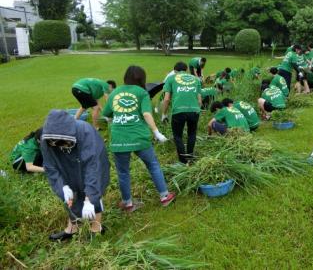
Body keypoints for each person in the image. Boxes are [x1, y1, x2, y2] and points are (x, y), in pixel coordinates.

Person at [103, 65, 175, 212]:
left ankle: (127, 203)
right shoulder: (142, 93)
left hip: (119, 139)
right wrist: (156, 132)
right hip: (139, 137)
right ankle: (164, 196)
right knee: (153, 165)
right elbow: (147, 114)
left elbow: (107, 113)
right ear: (142, 78)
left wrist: (117, 118)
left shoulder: (115, 92)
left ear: (126, 77)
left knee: (123, 172)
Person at [41, 110, 110, 241]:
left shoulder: (85, 132)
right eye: (54, 142)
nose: (58, 146)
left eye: (62, 142)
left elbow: (92, 168)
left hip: (94, 160)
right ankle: (73, 228)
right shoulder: (47, 138)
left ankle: (96, 229)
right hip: (67, 163)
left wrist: (90, 199)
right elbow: (50, 167)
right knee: (70, 193)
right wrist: (62, 187)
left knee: (94, 189)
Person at [162, 62, 202, 164]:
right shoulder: (196, 79)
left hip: (178, 111)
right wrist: (197, 111)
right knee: (192, 134)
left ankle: (183, 161)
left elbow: (166, 99)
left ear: (175, 71)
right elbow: (199, 101)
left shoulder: (171, 78)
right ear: (186, 70)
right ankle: (190, 157)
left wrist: (164, 114)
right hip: (194, 110)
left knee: (178, 136)